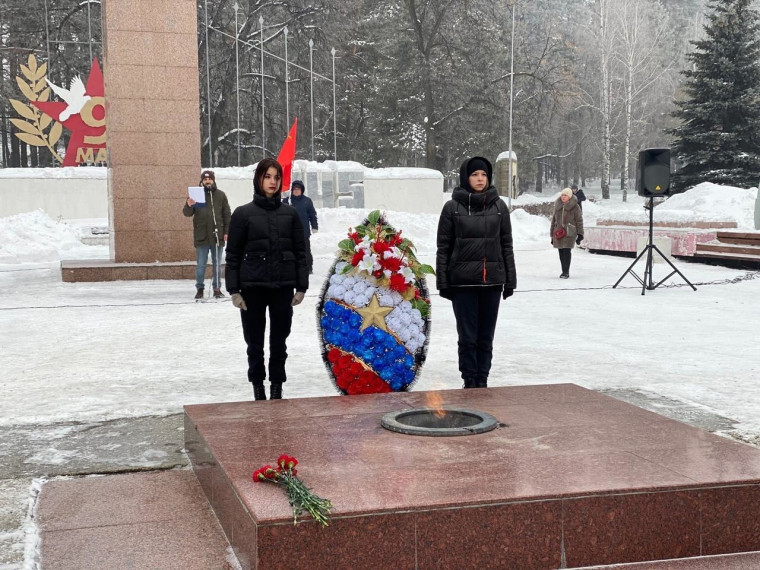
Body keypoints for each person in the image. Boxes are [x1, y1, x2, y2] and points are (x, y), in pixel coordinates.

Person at [225, 158, 308, 401]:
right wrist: (234, 290)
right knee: (254, 341)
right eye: (267, 176)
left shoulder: (290, 214)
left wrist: (301, 286)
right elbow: (233, 255)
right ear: (259, 179)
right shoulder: (243, 214)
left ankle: (276, 387)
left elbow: (301, 252)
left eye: (276, 177)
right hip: (252, 288)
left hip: (282, 287)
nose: (272, 182)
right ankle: (258, 387)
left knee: (279, 341)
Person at [436, 156, 517, 389]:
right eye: (474, 174)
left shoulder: (499, 206)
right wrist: (443, 281)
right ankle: (469, 379)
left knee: (485, 337)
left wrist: (509, 280)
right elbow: (444, 247)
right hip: (462, 284)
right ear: (465, 177)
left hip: (491, 283)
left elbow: (506, 245)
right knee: (467, 337)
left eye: (483, 174)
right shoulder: (452, 207)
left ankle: (482, 379)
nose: (480, 179)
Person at [183, 170, 231, 299]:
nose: (207, 181)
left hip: (217, 235)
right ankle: (200, 289)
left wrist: (226, 232)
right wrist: (188, 205)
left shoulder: (220, 195)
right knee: (201, 265)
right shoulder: (195, 195)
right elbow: (187, 213)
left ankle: (217, 289)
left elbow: (227, 214)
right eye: (205, 179)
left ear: (213, 180)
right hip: (201, 235)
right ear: (202, 181)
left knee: (217, 265)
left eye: (210, 179)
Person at [283, 180, 318, 274]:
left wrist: (314, 226)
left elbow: (312, 214)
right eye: (294, 189)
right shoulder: (287, 201)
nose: (296, 190)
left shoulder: (307, 201)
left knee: (305, 250)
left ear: (302, 190)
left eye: (298, 189)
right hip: (289, 232)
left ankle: (308, 267)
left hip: (304, 231)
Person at [551, 187, 584, 279]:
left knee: (566, 251)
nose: (563, 197)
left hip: (570, 232)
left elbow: (579, 221)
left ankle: (566, 272)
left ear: (569, 196)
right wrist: (552, 236)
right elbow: (553, 221)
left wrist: (580, 234)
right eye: (562, 195)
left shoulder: (575, 206)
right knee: (561, 252)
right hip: (558, 233)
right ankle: (563, 271)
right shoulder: (557, 206)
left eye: (565, 195)